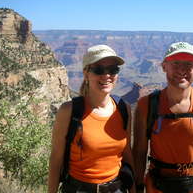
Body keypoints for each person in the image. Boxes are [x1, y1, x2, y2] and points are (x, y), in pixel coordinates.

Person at [133, 42, 193, 193]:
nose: (182, 69)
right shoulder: (147, 105)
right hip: (157, 187)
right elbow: (139, 152)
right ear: (164, 66)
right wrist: (137, 187)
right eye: (176, 63)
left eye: (189, 64)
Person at [48, 44, 135, 193]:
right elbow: (56, 159)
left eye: (113, 70)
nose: (106, 75)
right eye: (99, 70)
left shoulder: (123, 108)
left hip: (117, 189)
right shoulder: (69, 111)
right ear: (86, 74)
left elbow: (127, 154)